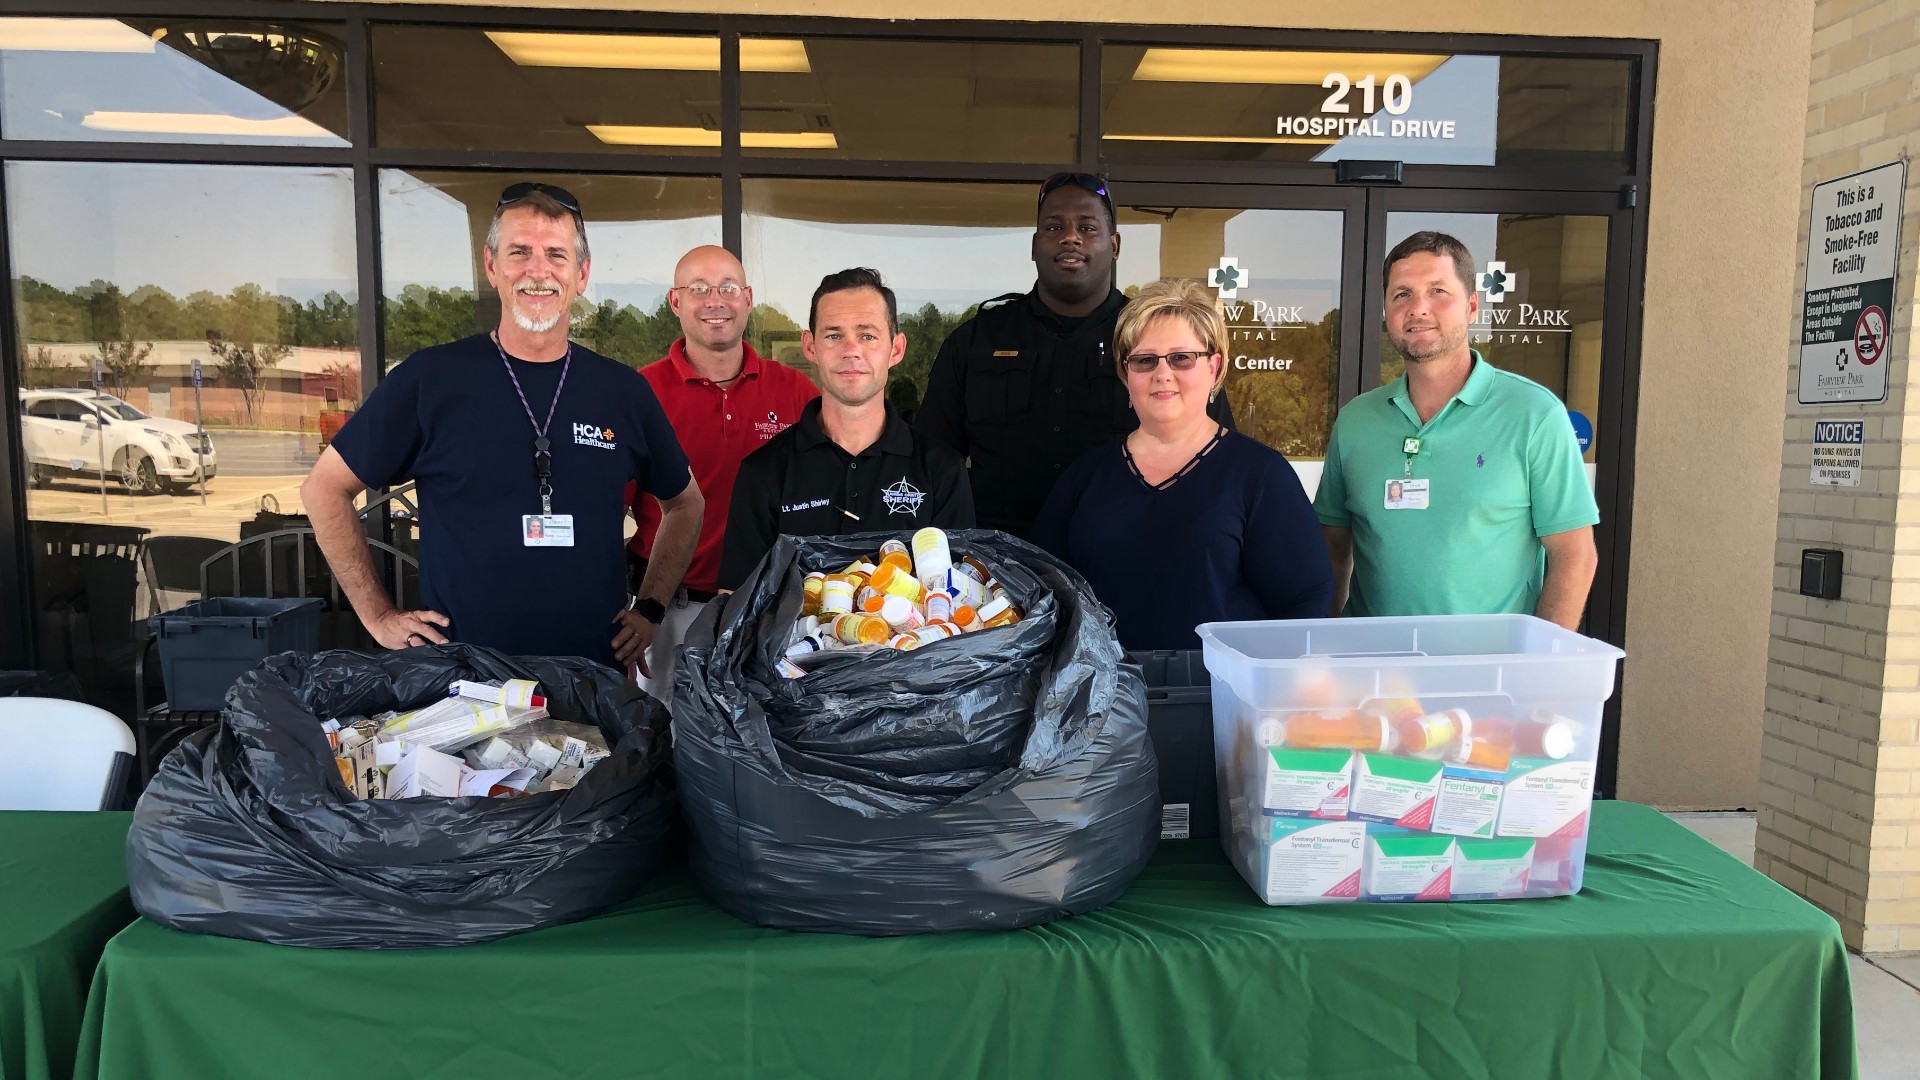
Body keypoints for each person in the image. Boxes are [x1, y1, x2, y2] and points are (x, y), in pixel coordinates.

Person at [302, 182, 704, 674]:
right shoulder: (431, 380)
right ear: (492, 266)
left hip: (591, 677)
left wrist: (651, 609)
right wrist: (378, 615)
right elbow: (324, 489)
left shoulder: (622, 392)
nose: (539, 271)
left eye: (557, 254)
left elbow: (685, 504)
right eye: (520, 252)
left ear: (582, 274)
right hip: (464, 684)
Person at [916, 172, 1233, 538]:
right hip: (997, 566)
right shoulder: (977, 340)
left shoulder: (1157, 343)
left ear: (1114, 245)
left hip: (1124, 556)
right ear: (1035, 246)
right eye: (1054, 227)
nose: (1070, 237)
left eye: (1087, 227)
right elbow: (932, 463)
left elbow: (1216, 457)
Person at [1315, 231, 1599, 629]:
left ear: (1471, 306)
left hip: (1488, 675)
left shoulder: (1534, 415)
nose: (1418, 309)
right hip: (1375, 671)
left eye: (1437, 291)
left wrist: (1538, 667)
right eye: (1402, 295)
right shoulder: (1356, 421)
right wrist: (1322, 651)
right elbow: (1333, 551)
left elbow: (1574, 555)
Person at [1030, 278, 1331, 651]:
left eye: (1181, 358)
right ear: (1127, 374)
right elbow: (1042, 591)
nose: (1162, 373)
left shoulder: (1260, 475)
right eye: (1144, 360)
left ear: (1214, 367)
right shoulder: (1086, 476)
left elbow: (1306, 601)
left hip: (1219, 697)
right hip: (1103, 696)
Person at [626, 245, 818, 699]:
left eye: (728, 288)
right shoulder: (639, 392)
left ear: (748, 298)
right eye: (699, 289)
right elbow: (601, 509)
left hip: (774, 612)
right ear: (675, 302)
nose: (716, 301)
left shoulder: (795, 390)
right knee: (663, 744)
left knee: (762, 748)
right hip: (669, 612)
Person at [719, 268, 974, 590]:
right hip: (793, 642)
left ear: (895, 349)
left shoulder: (942, 469)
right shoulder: (764, 471)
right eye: (834, 335)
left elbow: (960, 597)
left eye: (867, 336)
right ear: (810, 346)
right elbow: (737, 601)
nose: (851, 350)